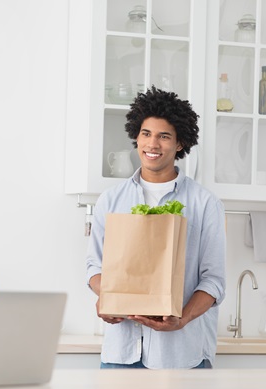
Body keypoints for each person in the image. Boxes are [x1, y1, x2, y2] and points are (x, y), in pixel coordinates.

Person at [86, 86, 226, 369]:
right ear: (136, 136)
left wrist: (182, 319)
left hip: (180, 355)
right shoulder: (111, 200)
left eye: (164, 136)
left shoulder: (204, 203)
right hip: (120, 354)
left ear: (179, 143)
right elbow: (94, 267)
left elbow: (213, 281)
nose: (152, 144)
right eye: (146, 134)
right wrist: (107, 299)